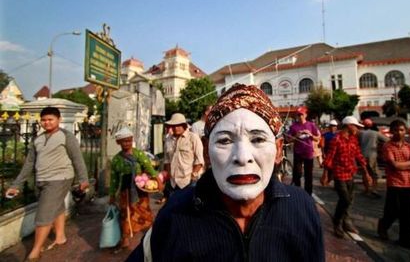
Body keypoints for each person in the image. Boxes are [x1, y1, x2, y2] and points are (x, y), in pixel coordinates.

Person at [127, 83, 324, 261]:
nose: (242, 156)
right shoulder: (175, 213)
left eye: (257, 140)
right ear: (206, 150)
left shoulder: (302, 209)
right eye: (224, 141)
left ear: (279, 150)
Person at [5, 107, 89, 261]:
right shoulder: (37, 139)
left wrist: (84, 179)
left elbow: (77, 158)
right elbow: (29, 164)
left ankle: (35, 252)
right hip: (42, 179)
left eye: (50, 119)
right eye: (44, 120)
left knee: (43, 214)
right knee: (56, 206)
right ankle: (60, 236)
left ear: (59, 120)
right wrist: (16, 184)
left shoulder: (67, 136)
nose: (47, 122)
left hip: (61, 178)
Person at [109, 127, 161, 251]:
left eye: (129, 140)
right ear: (118, 142)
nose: (127, 143)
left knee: (144, 212)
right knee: (125, 214)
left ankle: (152, 234)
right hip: (125, 191)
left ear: (132, 140)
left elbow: (148, 167)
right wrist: (112, 194)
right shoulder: (116, 159)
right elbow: (114, 179)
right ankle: (125, 238)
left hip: (139, 190)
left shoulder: (138, 154)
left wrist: (157, 180)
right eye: (124, 141)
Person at [323, 116, 373, 238]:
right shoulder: (337, 139)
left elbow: (359, 155)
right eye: (355, 126)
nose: (357, 129)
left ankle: (346, 221)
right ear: (349, 126)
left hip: (350, 174)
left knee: (349, 200)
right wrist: (325, 174)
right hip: (339, 174)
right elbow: (330, 157)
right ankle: (337, 223)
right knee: (345, 199)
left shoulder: (353, 139)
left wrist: (366, 172)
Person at [378, 119, 410, 253]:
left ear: (406, 131)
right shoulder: (388, 146)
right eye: (396, 130)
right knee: (392, 211)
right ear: (392, 132)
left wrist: (402, 165)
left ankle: (406, 240)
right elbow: (394, 165)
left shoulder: (409, 146)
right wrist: (409, 163)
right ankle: (383, 226)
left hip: (409, 183)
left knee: (409, 215)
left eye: (402, 130)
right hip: (394, 183)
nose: (399, 132)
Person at [162, 113, 204, 200]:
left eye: (178, 125)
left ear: (184, 125)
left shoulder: (193, 138)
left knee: (188, 209)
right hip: (173, 182)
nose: (175, 128)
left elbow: (199, 160)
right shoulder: (168, 140)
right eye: (173, 125)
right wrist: (167, 176)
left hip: (188, 181)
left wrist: (193, 175)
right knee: (173, 209)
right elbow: (167, 160)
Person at [287, 106, 320, 195]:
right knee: (297, 174)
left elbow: (317, 138)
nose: (300, 116)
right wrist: (296, 136)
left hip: (308, 153)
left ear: (305, 115)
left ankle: (308, 194)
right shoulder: (293, 126)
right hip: (298, 153)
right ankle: (298, 193)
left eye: (301, 114)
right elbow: (288, 139)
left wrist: (310, 135)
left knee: (308, 175)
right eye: (298, 115)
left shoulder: (311, 125)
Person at [358, 118, 389, 197]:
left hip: (362, 155)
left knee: (365, 173)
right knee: (374, 173)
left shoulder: (360, 133)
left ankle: (367, 189)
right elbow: (387, 140)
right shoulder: (375, 133)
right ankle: (374, 189)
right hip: (372, 156)